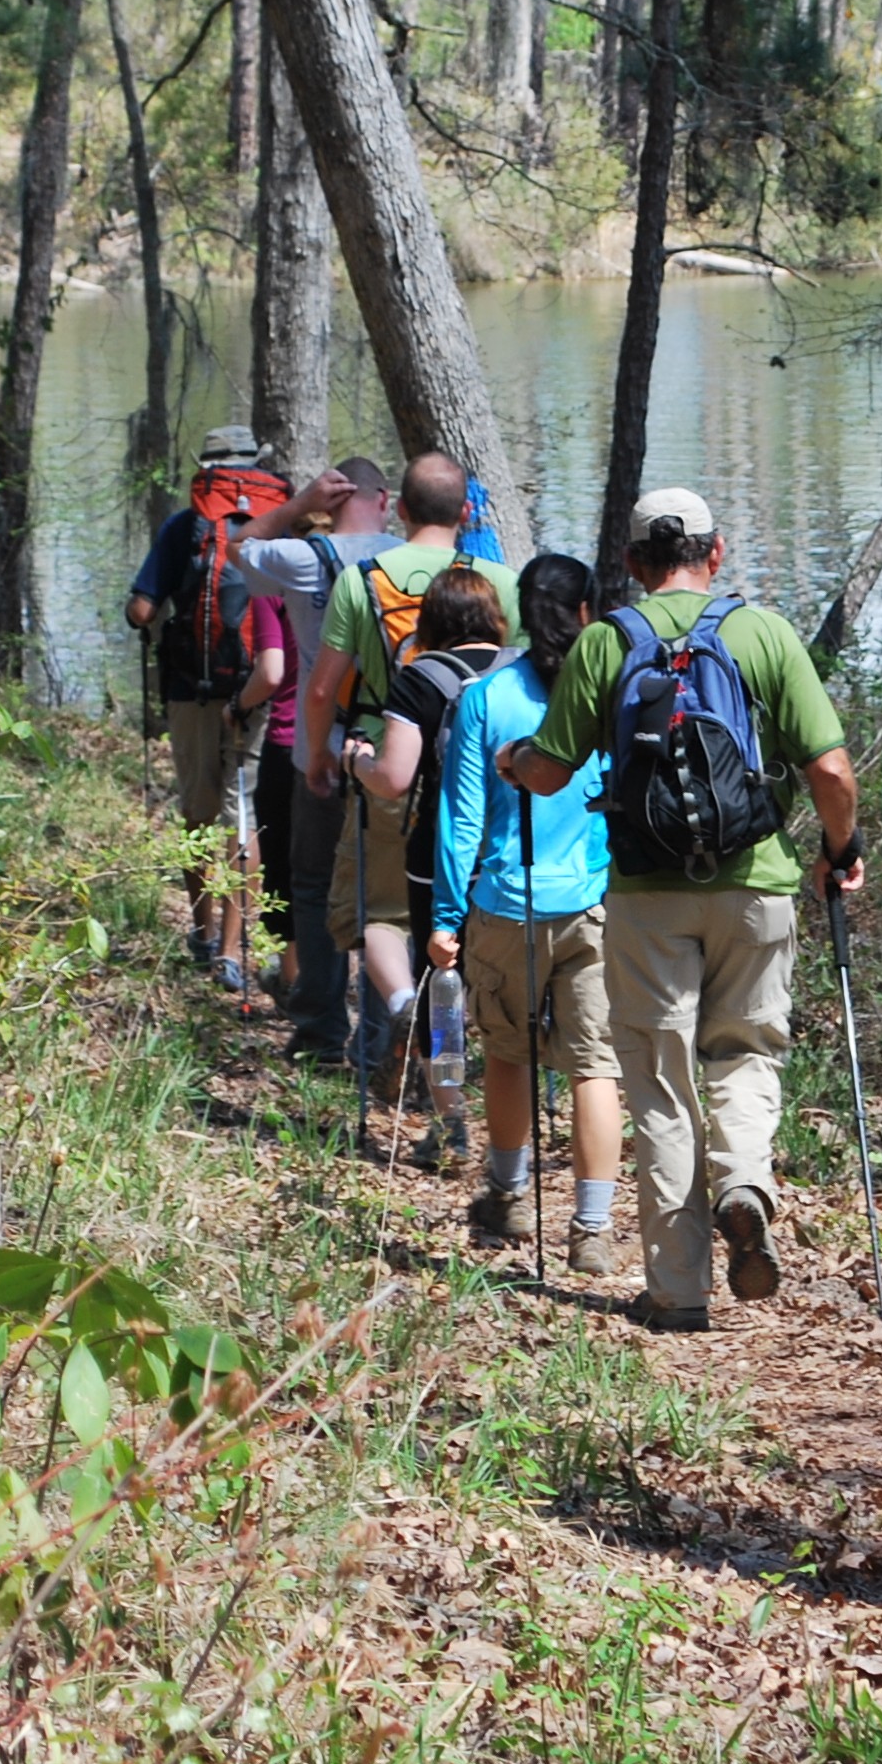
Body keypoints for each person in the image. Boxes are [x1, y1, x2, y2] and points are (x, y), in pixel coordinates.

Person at [500, 488, 861, 1333]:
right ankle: (744, 1179)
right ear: (716, 552)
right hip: (757, 884)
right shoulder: (763, 633)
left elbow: (550, 772)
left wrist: (517, 760)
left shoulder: (604, 641)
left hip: (644, 894)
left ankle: (676, 1289)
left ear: (630, 564)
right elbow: (834, 772)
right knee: (746, 1050)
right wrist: (838, 853)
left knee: (660, 1082)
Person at [432, 554, 628, 1271]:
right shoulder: (608, 692)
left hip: (505, 905)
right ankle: (593, 1231)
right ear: (586, 612)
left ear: (519, 613)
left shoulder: (485, 698)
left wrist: (446, 917)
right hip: (591, 902)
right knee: (594, 1067)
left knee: (509, 1053)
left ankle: (509, 1196)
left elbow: (461, 822)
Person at [232, 456, 406, 1065]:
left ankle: (321, 1029)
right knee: (390, 900)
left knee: (313, 886)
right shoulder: (411, 563)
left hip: (322, 752)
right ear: (384, 499)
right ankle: (386, 1037)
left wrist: (292, 506)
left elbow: (238, 551)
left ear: (330, 502)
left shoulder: (304, 557)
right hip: (396, 758)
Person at [339, 564, 513, 1153]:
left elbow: (393, 779)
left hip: (439, 849)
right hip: (519, 849)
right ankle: (528, 1124)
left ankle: (452, 1123)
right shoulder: (528, 672)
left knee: (441, 982)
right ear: (494, 617)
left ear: (431, 622)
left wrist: (355, 760)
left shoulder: (422, 677)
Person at [127, 425, 286, 980]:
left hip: (190, 692)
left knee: (198, 813)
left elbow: (141, 612)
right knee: (243, 819)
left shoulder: (184, 527)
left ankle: (202, 931)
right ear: (255, 465)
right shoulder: (280, 523)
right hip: (254, 693)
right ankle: (233, 951)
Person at [235, 582, 296, 1006]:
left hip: (290, 737)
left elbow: (271, 671)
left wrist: (237, 707)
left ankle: (294, 980)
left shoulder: (274, 582)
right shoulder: (365, 571)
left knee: (287, 865)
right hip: (359, 740)